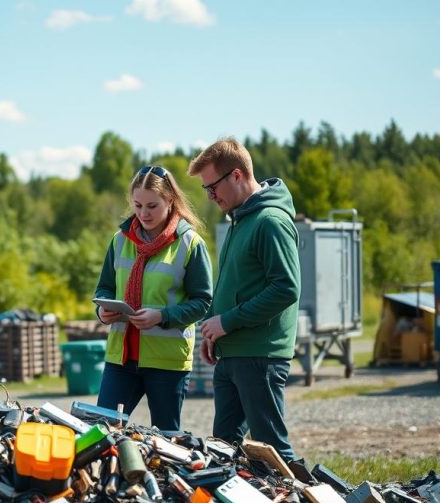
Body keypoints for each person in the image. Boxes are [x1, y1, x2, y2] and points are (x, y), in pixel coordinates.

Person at [189, 138, 301, 462]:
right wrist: (213, 330)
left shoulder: (271, 222)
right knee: (223, 449)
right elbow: (234, 283)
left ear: (236, 176)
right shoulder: (240, 220)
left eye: (212, 187)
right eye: (205, 190)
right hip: (232, 354)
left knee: (271, 451)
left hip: (259, 357)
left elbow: (286, 288)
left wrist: (227, 321)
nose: (210, 197)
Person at [94, 165, 213, 431]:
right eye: (137, 205)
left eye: (152, 206)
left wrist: (162, 316)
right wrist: (102, 312)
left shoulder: (190, 244)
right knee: (100, 432)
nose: (143, 213)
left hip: (167, 362)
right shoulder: (119, 241)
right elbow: (103, 289)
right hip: (121, 358)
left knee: (167, 440)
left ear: (170, 200)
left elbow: (203, 302)